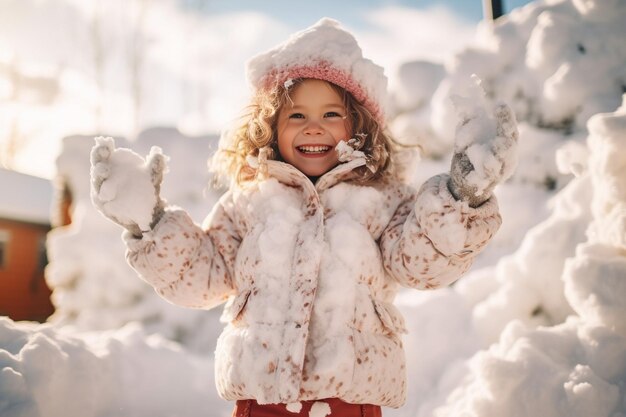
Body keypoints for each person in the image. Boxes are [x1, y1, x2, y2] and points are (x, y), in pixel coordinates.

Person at [90, 18, 517, 417]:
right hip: (262, 399)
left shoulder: (382, 200)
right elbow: (204, 277)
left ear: (359, 126)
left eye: (331, 114)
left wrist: (462, 197)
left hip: (350, 397)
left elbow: (420, 262)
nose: (314, 127)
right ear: (271, 127)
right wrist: (150, 222)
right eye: (297, 115)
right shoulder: (250, 202)